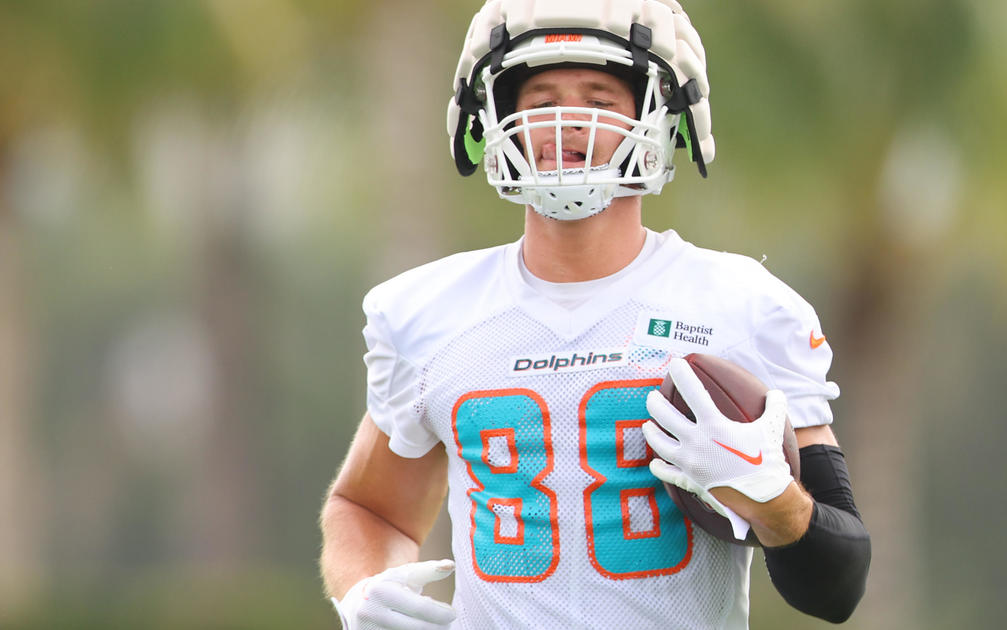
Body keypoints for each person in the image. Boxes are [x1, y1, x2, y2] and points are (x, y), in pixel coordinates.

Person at [319, 1, 871, 628]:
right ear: (495, 118)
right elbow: (369, 507)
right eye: (541, 97)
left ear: (660, 115)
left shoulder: (743, 306)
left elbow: (837, 589)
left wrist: (773, 498)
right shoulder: (428, 314)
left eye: (600, 100)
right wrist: (361, 591)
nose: (566, 121)